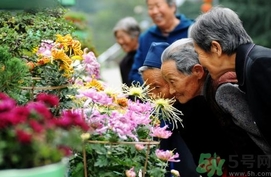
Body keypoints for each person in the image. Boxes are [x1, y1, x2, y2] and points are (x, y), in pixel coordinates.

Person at [160, 38, 270, 175]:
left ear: (197, 71)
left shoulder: (222, 90)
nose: (170, 91)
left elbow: (261, 136)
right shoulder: (204, 97)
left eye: (173, 81)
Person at [189, 6, 271, 151]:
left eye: (198, 53)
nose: (199, 62)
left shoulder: (259, 65)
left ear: (216, 47)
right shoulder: (249, 65)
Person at [139, 42, 199, 177]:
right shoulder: (153, 116)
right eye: (148, 89)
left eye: (157, 87)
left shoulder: (196, 111)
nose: (153, 96)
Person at [129, 0, 194, 85]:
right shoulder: (145, 38)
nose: (155, 11)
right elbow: (135, 74)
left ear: (172, 7)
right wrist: (154, 88)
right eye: (151, 8)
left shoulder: (192, 30)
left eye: (158, 6)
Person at [113, 16, 141, 86]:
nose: (120, 41)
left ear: (135, 35)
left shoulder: (147, 56)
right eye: (117, 38)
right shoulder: (124, 63)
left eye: (122, 37)